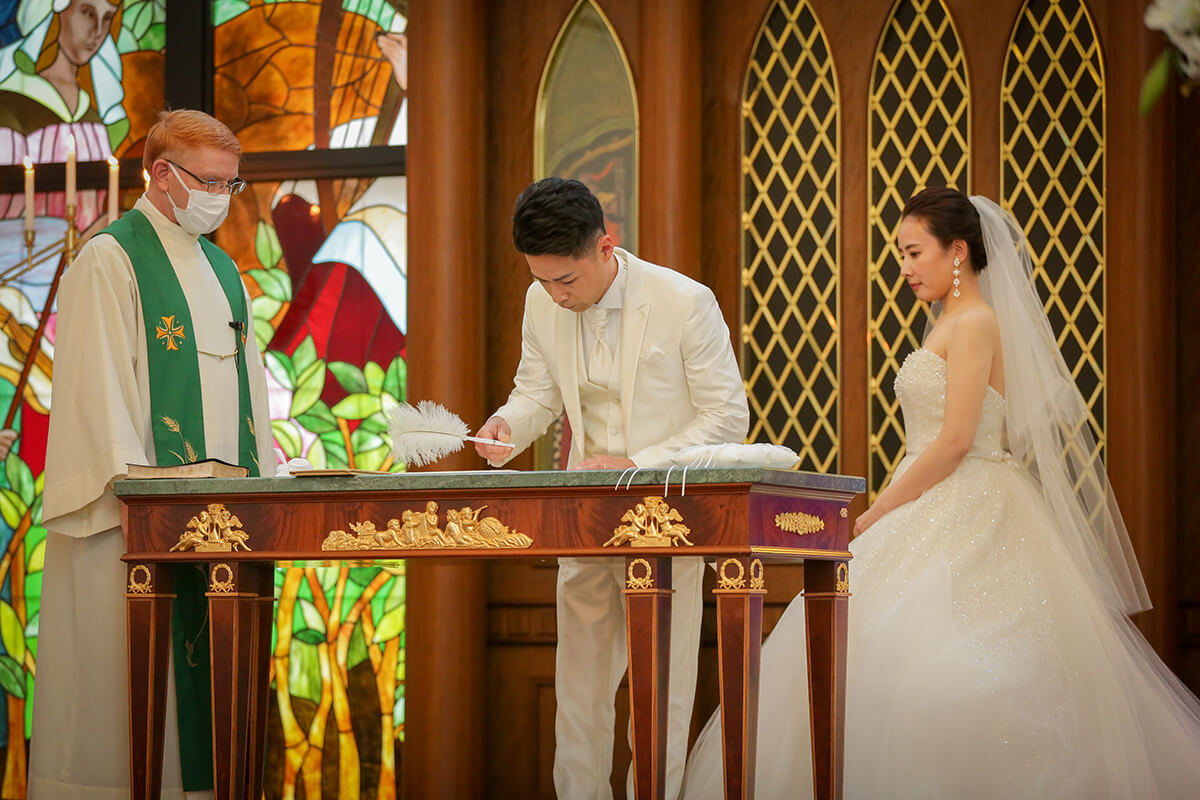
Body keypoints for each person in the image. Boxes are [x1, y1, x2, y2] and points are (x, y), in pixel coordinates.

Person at [681, 186, 1200, 799]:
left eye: (913, 252)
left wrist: (872, 512)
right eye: (900, 254)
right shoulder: (948, 322)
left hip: (973, 497)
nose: (903, 267)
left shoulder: (976, 321)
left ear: (957, 252)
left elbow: (956, 441)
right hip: (931, 495)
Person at [475, 177, 749, 800]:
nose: (554, 294)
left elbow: (727, 418)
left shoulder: (685, 301)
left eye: (565, 280)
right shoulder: (540, 302)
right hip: (585, 514)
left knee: (663, 686)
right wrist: (504, 429)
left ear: (606, 245)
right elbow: (536, 393)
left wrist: (640, 461)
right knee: (579, 686)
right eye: (541, 279)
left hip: (668, 514)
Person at [29, 109, 276, 800]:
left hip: (218, 526)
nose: (222, 199)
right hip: (131, 530)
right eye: (210, 182)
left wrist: (261, 487)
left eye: (232, 184)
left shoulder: (224, 271)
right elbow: (93, 396)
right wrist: (150, 486)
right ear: (162, 175)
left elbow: (248, 393)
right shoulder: (110, 260)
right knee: (125, 717)